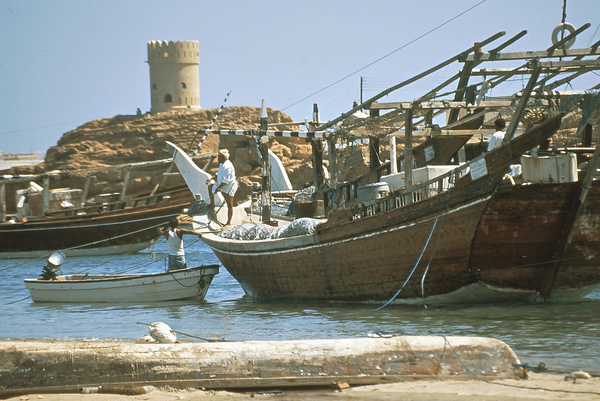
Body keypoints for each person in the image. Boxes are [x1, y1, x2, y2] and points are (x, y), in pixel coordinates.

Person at [206, 149, 238, 226]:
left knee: (229, 205)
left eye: (219, 157)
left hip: (229, 186)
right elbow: (219, 174)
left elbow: (226, 180)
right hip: (221, 184)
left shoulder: (228, 166)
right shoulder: (222, 164)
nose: (218, 158)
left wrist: (219, 188)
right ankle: (212, 204)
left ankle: (228, 222)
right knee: (210, 187)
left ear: (223, 157)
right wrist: (211, 178)